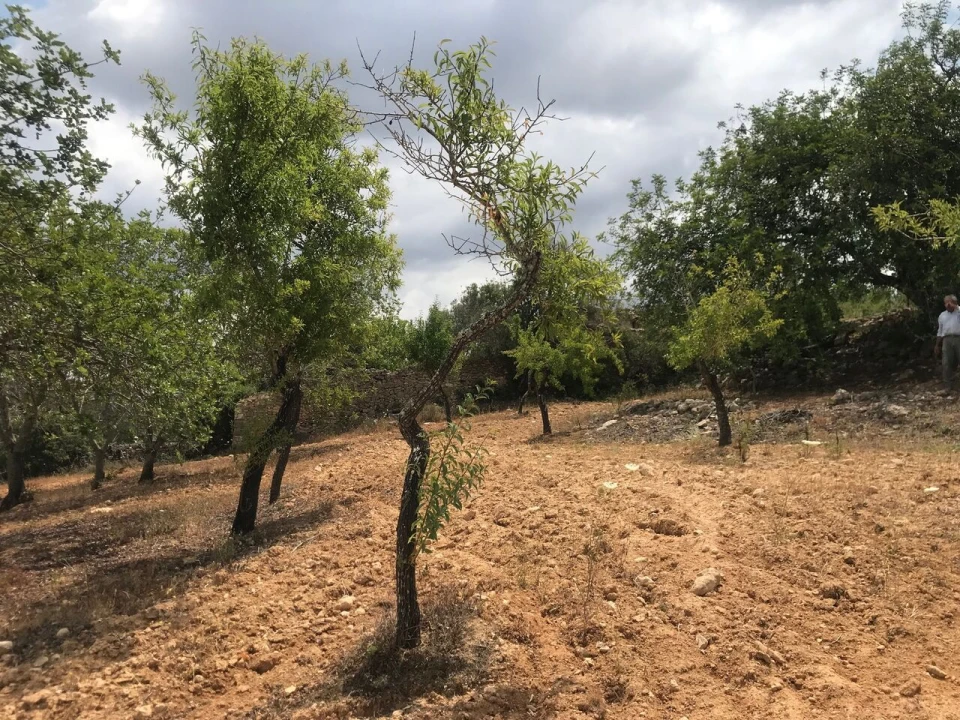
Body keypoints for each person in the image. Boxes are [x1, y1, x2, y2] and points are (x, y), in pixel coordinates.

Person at [935, 294, 960, 392]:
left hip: (958, 338)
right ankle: (947, 386)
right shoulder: (942, 315)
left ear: (955, 303)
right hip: (947, 340)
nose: (947, 305)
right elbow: (940, 331)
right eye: (945, 303)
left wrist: (957, 308)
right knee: (946, 363)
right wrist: (937, 345)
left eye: (949, 303)